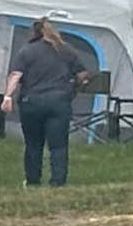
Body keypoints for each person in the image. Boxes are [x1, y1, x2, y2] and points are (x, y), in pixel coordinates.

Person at [6, 16, 92, 188]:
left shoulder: (27, 51)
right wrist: (73, 90)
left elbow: (16, 75)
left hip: (31, 102)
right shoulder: (66, 50)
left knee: (33, 144)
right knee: (58, 145)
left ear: (35, 32)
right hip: (59, 102)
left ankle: (32, 181)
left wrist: (7, 96)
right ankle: (58, 181)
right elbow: (83, 75)